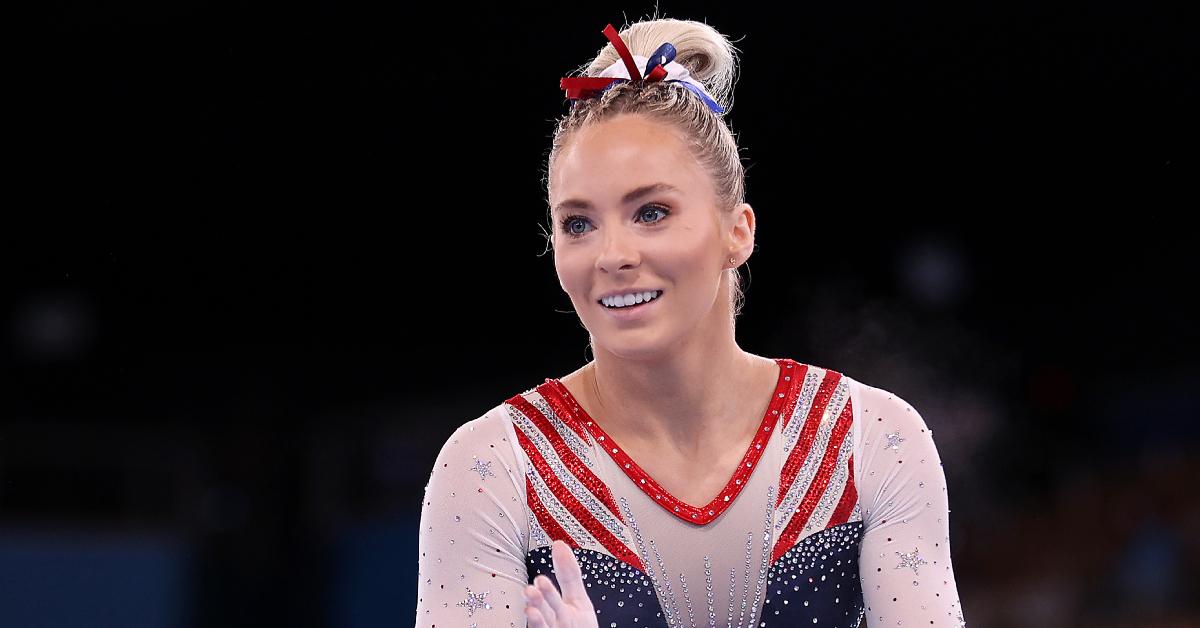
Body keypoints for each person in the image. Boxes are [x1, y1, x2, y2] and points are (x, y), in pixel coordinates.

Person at [415, 18, 966, 627]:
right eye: (578, 223)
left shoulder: (869, 442)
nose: (613, 255)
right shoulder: (492, 468)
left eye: (651, 212)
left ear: (738, 230)